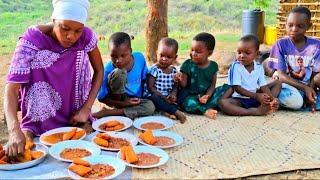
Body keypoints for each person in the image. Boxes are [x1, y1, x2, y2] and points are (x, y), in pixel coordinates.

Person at [4, 0, 104, 157]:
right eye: (65, 28)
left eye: (78, 30)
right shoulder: (31, 40)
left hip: (74, 114)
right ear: (53, 20)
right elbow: (11, 89)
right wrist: (13, 129)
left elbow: (99, 70)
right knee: (23, 151)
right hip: (38, 117)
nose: (71, 36)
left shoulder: (85, 37)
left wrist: (86, 108)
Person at [267, 6, 320, 111]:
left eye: (300, 26)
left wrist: (310, 91)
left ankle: (308, 98)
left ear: (308, 26)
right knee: (296, 103)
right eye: (290, 25)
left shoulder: (316, 46)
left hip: (308, 84)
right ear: (285, 24)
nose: (294, 29)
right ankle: (269, 96)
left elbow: (315, 74)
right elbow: (282, 75)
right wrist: (305, 88)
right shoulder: (280, 44)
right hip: (288, 84)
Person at [93, 32, 155, 119]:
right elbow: (101, 98)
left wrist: (143, 98)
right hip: (118, 100)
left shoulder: (139, 58)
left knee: (150, 107)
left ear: (130, 51)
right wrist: (124, 103)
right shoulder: (107, 70)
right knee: (120, 73)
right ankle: (118, 110)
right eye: (113, 56)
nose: (118, 60)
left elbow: (145, 79)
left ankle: (110, 112)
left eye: (123, 55)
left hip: (135, 100)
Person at [219, 34, 281, 116]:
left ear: (257, 54)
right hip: (240, 99)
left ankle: (269, 104)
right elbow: (237, 88)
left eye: (247, 53)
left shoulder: (259, 67)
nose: (242, 56)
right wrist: (256, 96)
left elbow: (263, 86)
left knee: (278, 83)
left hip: (256, 97)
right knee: (223, 103)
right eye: (239, 52)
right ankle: (255, 111)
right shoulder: (235, 66)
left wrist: (273, 99)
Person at [174, 32, 229, 119]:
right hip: (191, 96)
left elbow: (212, 85)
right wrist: (179, 79)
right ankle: (205, 110)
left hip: (206, 96)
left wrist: (207, 96)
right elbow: (183, 85)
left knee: (228, 88)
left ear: (209, 53)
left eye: (198, 51)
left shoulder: (213, 66)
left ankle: (208, 105)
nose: (194, 53)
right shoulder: (187, 64)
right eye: (192, 50)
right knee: (188, 103)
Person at [144, 37, 187, 123]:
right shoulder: (154, 69)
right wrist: (163, 97)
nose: (164, 59)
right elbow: (150, 88)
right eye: (161, 55)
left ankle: (166, 111)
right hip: (156, 95)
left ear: (175, 57)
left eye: (168, 57)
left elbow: (175, 85)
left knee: (185, 91)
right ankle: (174, 111)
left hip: (168, 97)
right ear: (157, 53)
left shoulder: (174, 70)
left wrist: (173, 94)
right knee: (153, 99)